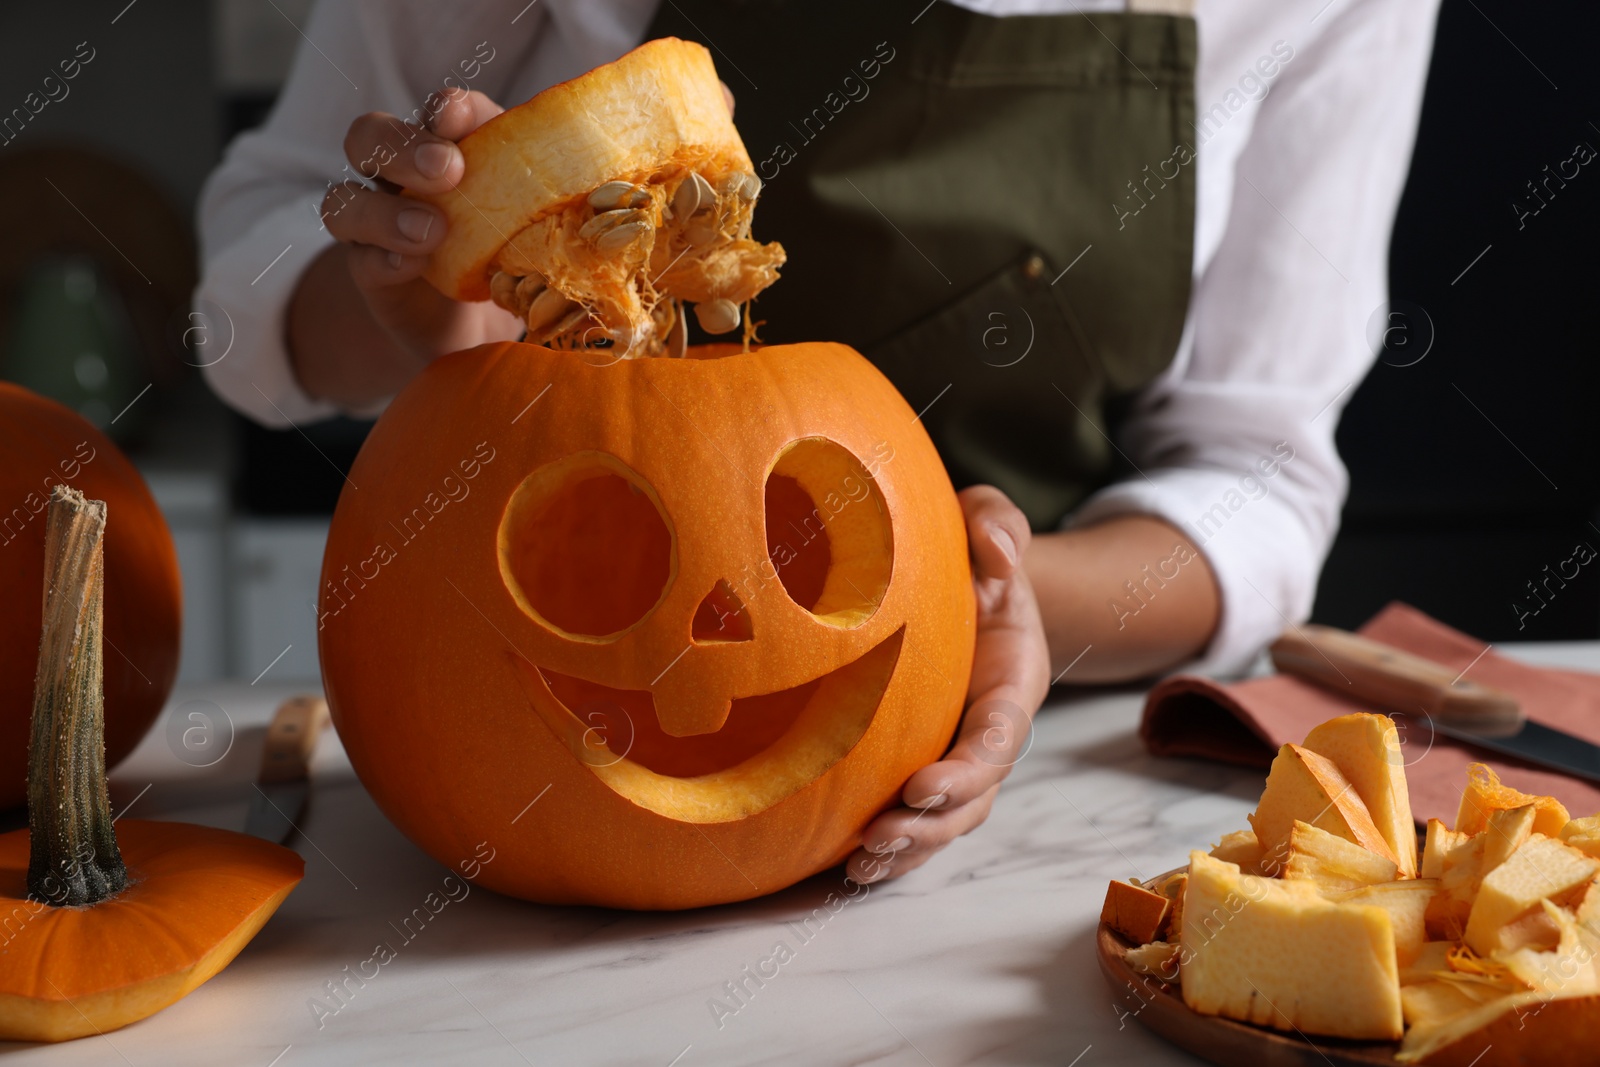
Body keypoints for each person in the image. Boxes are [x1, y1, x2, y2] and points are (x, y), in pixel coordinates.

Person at [195, 0, 1441, 884]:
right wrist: (418, 308)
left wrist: (987, 593)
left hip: (1053, 780)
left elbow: (1256, 471)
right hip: (521, 698)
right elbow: (237, 284)